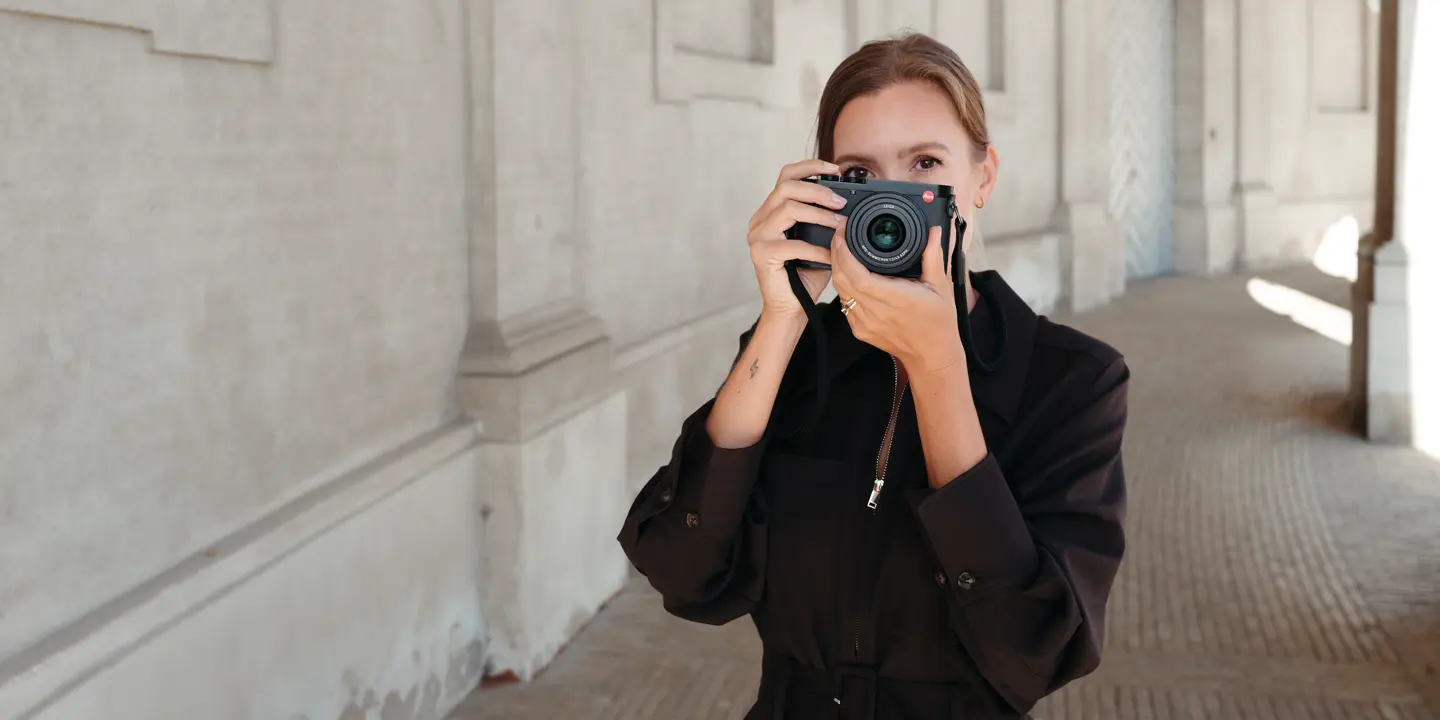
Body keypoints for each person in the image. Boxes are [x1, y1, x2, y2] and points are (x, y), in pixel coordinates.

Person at [618, 31, 1128, 720]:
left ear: (983, 176)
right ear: (823, 191)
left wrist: (937, 367)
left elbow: (1032, 653)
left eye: (924, 162)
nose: (893, 200)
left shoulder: (1075, 382)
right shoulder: (796, 355)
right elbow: (681, 568)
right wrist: (782, 316)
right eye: (858, 177)